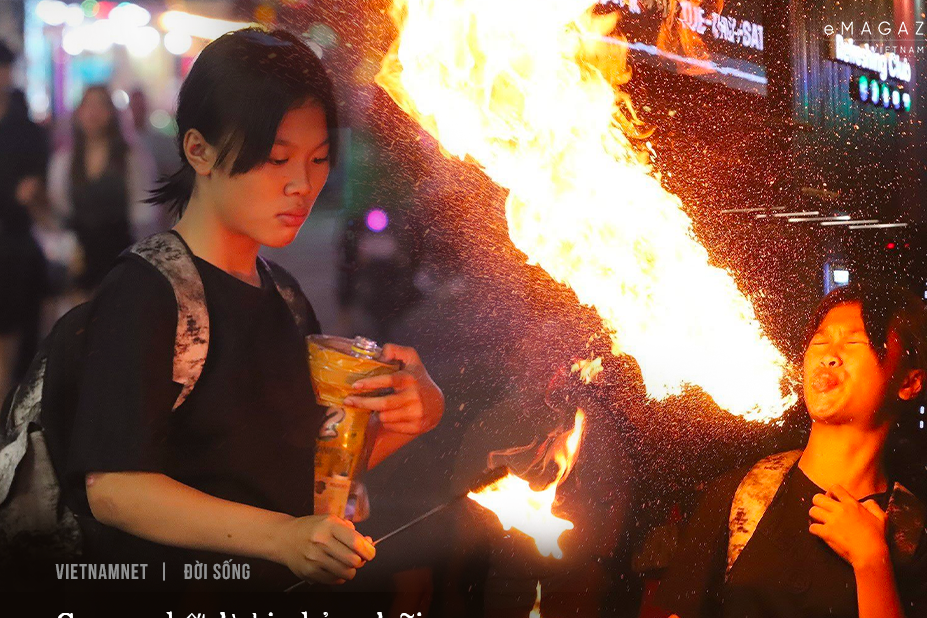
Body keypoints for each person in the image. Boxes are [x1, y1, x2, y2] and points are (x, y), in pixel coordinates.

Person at [55, 28, 445, 595]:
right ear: (198, 150)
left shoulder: (284, 295)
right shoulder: (147, 292)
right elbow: (114, 487)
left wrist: (410, 415)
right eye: (275, 158)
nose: (302, 185)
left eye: (318, 159)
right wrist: (281, 537)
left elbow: (297, 471)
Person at [654, 282, 927, 618]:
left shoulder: (914, 533)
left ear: (909, 383)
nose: (828, 354)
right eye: (821, 341)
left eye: (855, 341)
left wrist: (872, 562)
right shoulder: (738, 497)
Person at [47, 85, 156, 294]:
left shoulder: (130, 157)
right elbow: (60, 209)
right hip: (80, 254)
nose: (93, 113)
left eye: (101, 105)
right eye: (88, 105)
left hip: (120, 252)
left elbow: (143, 211)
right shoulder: (65, 160)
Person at [0, 40, 49, 400]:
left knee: (15, 331)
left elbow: (43, 196)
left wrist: (32, 193)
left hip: (15, 243)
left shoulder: (26, 128)